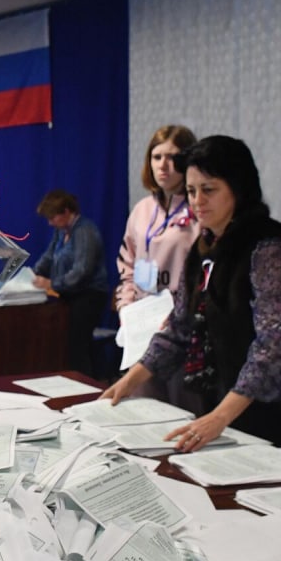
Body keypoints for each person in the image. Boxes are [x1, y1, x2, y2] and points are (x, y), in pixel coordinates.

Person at [101, 135, 281, 458]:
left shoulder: (271, 249)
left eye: (209, 190)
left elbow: (272, 348)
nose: (197, 201)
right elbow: (179, 326)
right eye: (191, 191)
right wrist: (127, 383)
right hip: (232, 406)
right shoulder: (204, 245)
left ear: (238, 188)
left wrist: (219, 417)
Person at [115, 124, 200, 408]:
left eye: (172, 157)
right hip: (142, 325)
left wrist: (180, 313)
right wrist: (126, 308)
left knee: (182, 412)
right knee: (144, 410)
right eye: (156, 156)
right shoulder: (142, 209)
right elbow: (127, 264)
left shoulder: (199, 208)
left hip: (181, 328)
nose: (163, 165)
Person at [32, 189, 111, 378]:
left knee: (77, 346)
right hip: (70, 296)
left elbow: (82, 271)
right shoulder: (61, 232)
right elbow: (48, 257)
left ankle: (85, 384)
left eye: (53, 217)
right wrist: (33, 275)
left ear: (67, 211)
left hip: (89, 296)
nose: (50, 223)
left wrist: (52, 283)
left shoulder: (85, 231)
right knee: (66, 345)